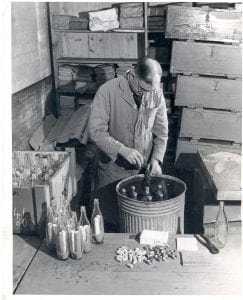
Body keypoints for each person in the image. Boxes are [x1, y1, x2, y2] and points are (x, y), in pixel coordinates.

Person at [88, 58, 168, 231]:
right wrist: (121, 149)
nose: (144, 94)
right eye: (141, 89)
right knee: (112, 223)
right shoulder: (107, 91)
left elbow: (161, 132)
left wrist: (156, 160)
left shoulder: (155, 93)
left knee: (137, 224)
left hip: (142, 170)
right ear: (132, 75)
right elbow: (96, 132)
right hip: (112, 171)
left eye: (151, 90)